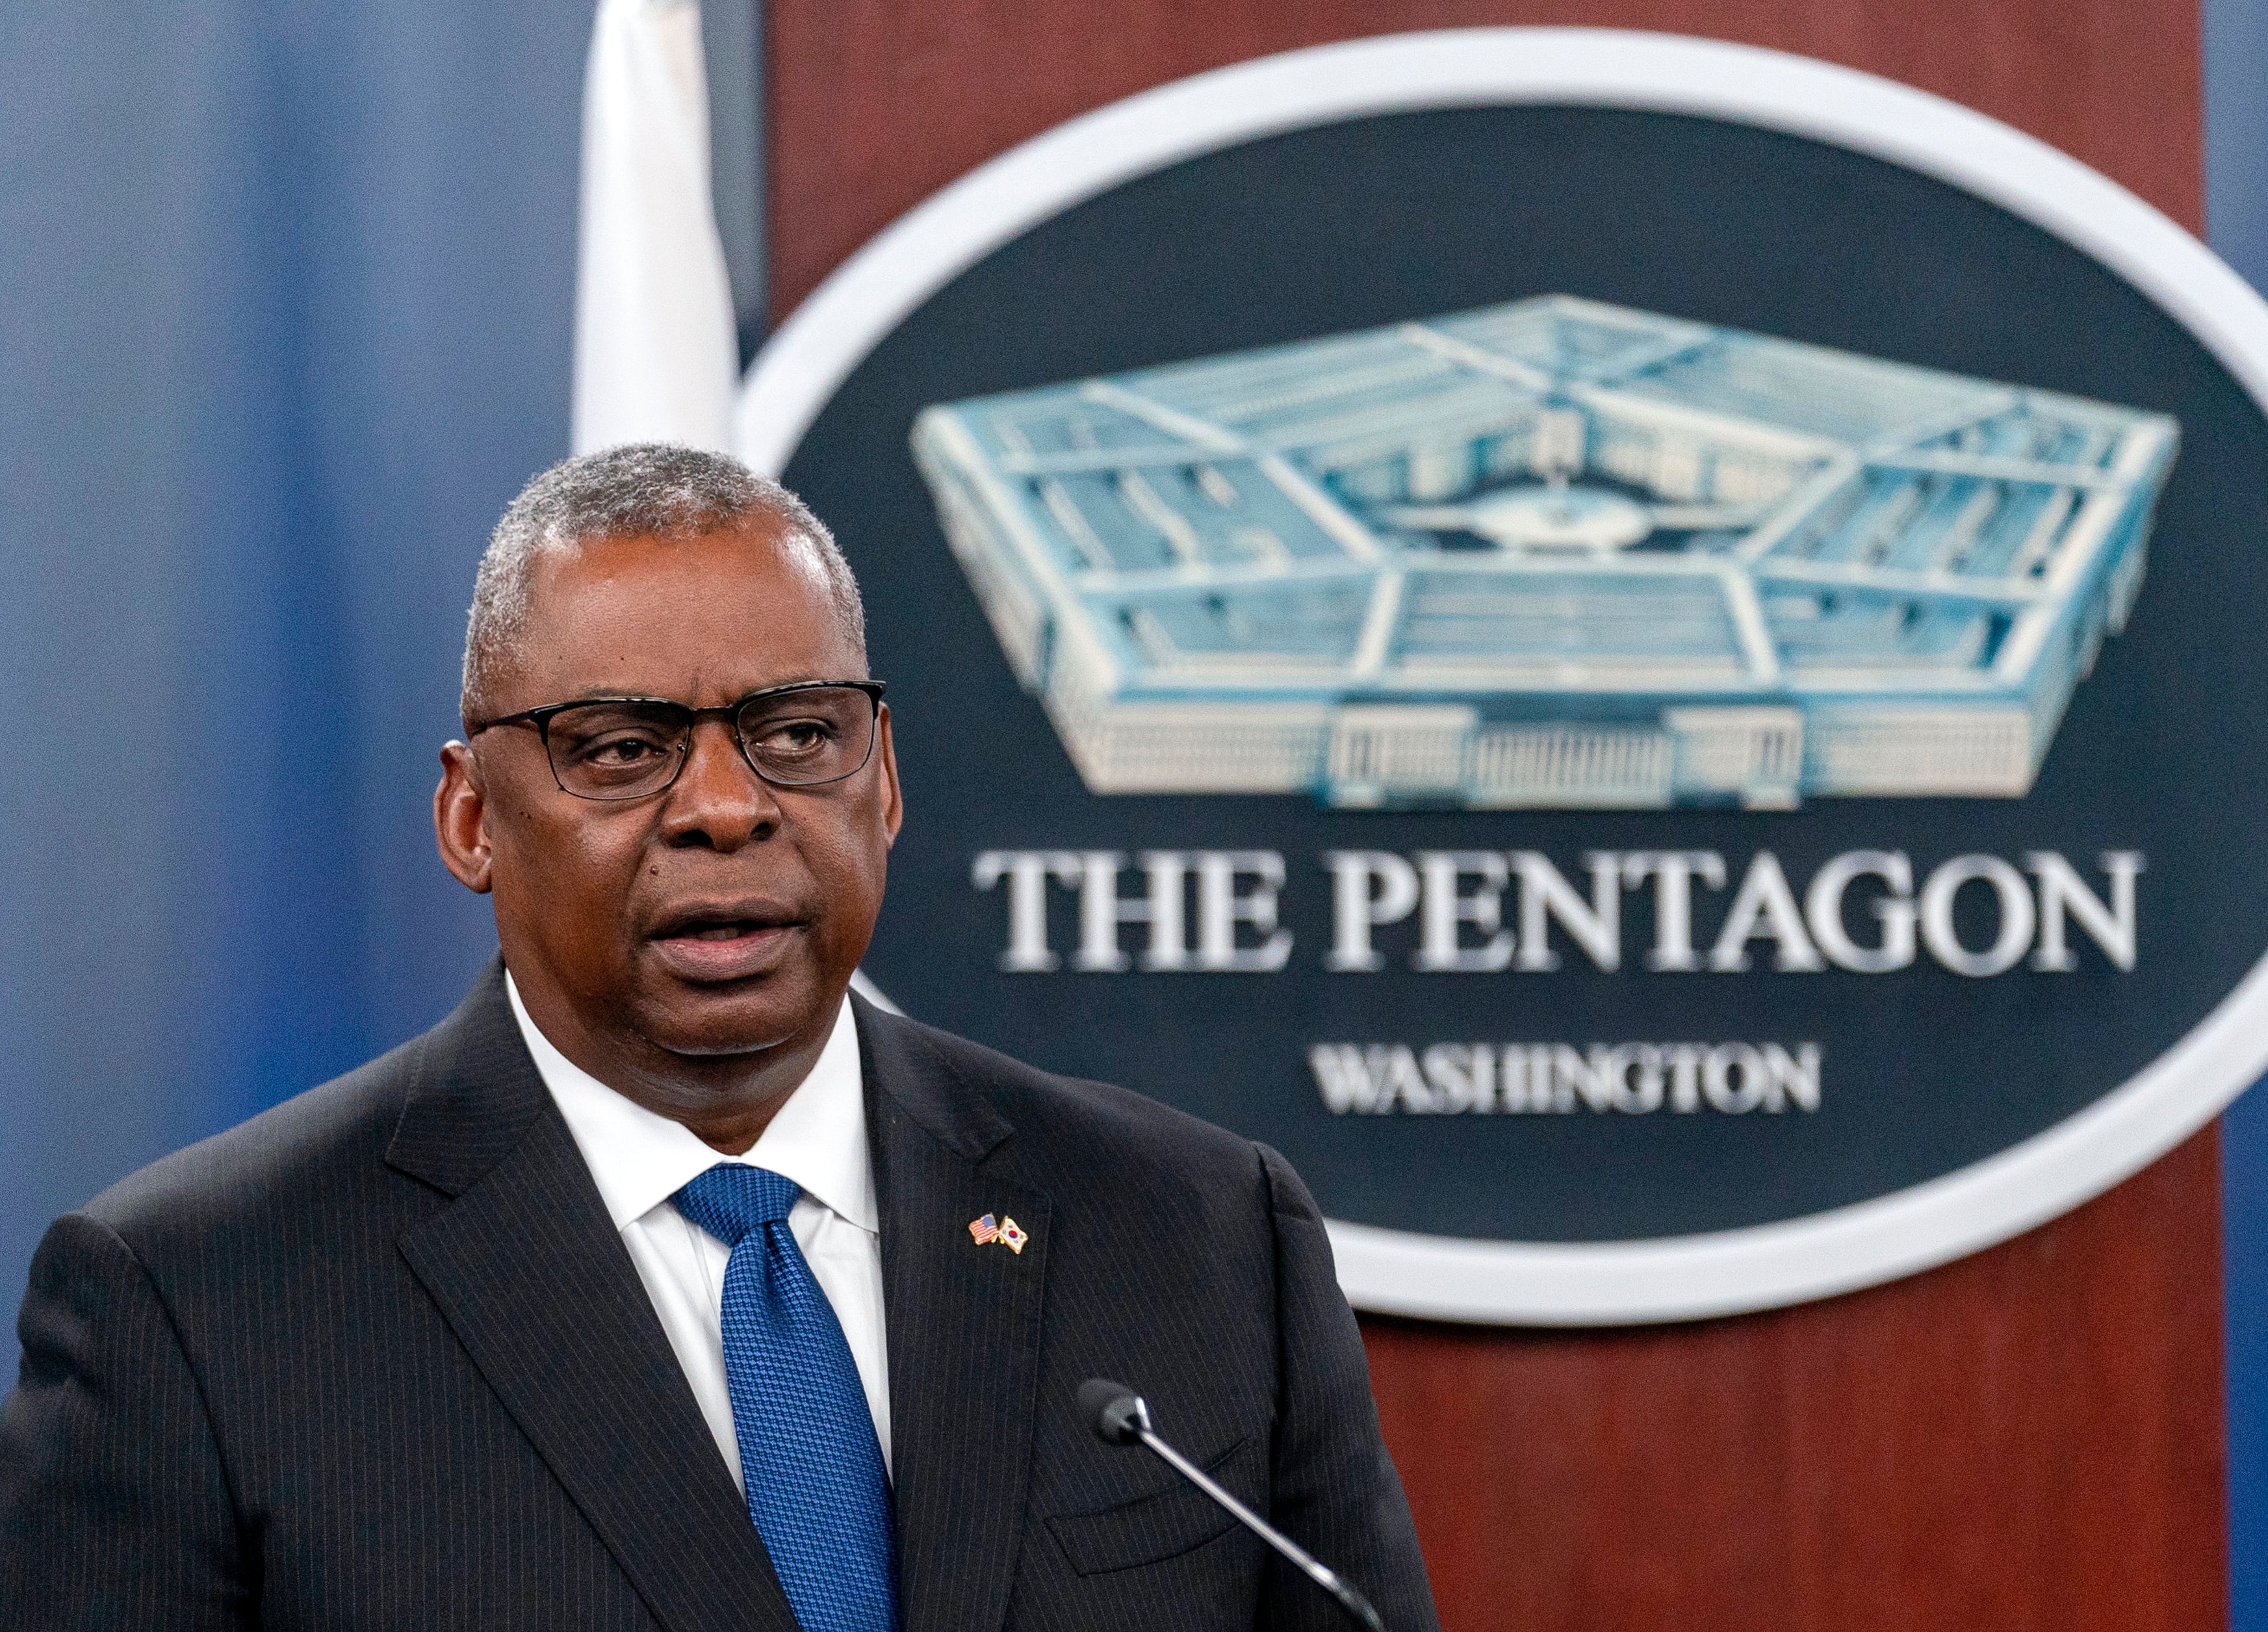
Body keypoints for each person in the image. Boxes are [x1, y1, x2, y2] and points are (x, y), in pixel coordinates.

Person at [0, 445, 1438, 1631]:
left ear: (883, 783)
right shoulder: (197, 1305)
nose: (725, 805)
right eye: (620, 747)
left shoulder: (1197, 1235)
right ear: (468, 818)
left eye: (796, 732)